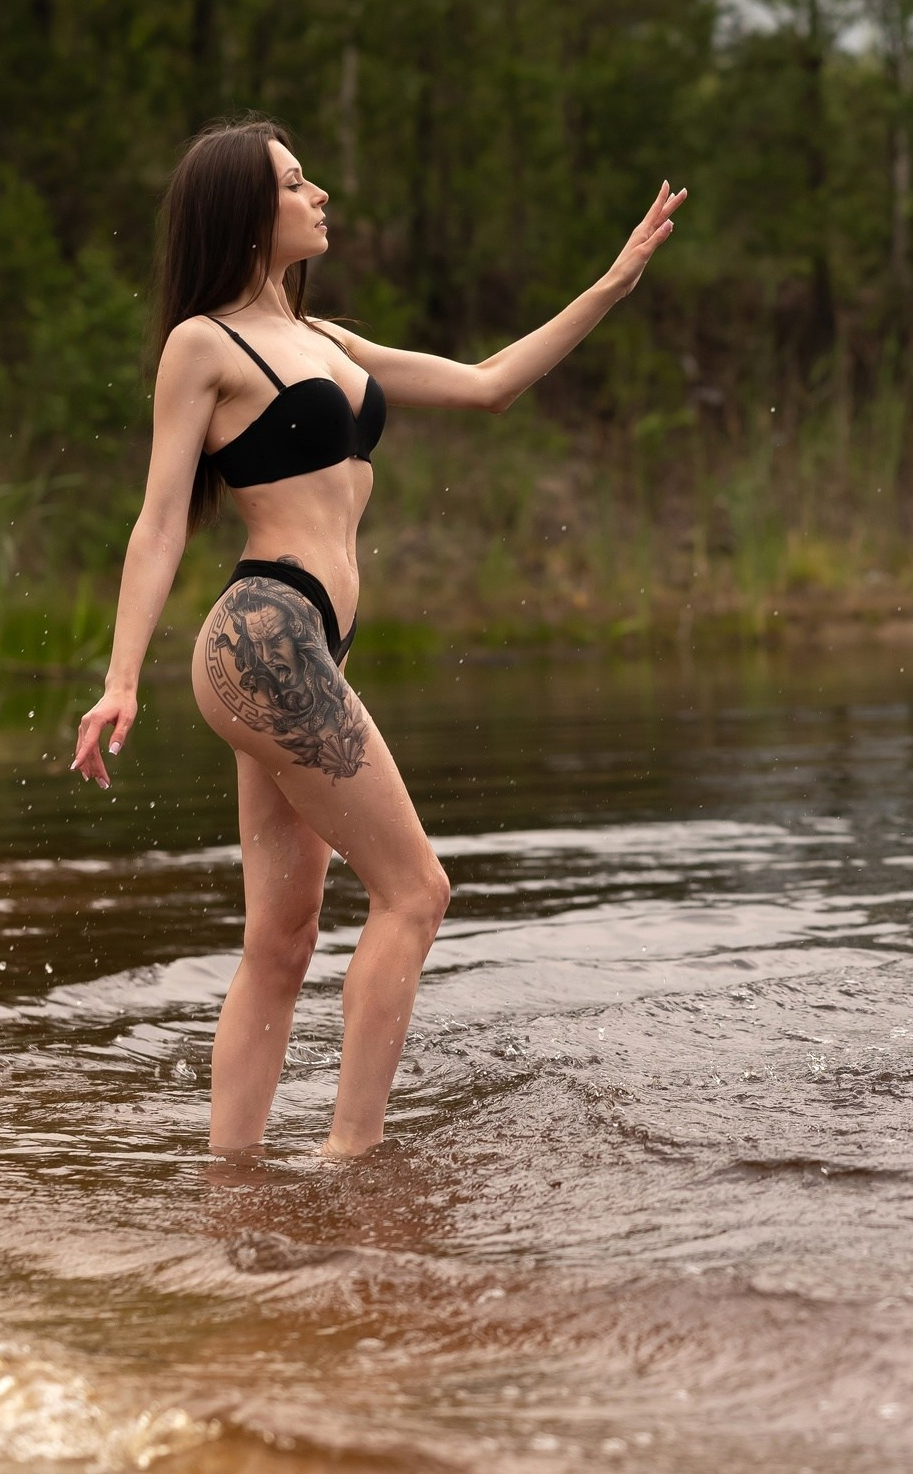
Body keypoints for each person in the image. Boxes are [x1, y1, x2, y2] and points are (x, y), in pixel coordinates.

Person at [71, 116, 683, 1157]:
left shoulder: (334, 342)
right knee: (417, 891)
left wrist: (617, 278)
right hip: (265, 637)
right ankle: (354, 1163)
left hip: (304, 647)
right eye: (295, 182)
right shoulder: (202, 344)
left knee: (282, 937)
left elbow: (491, 383)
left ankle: (234, 1180)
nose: (320, 195)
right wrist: (120, 677)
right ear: (245, 212)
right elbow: (160, 518)